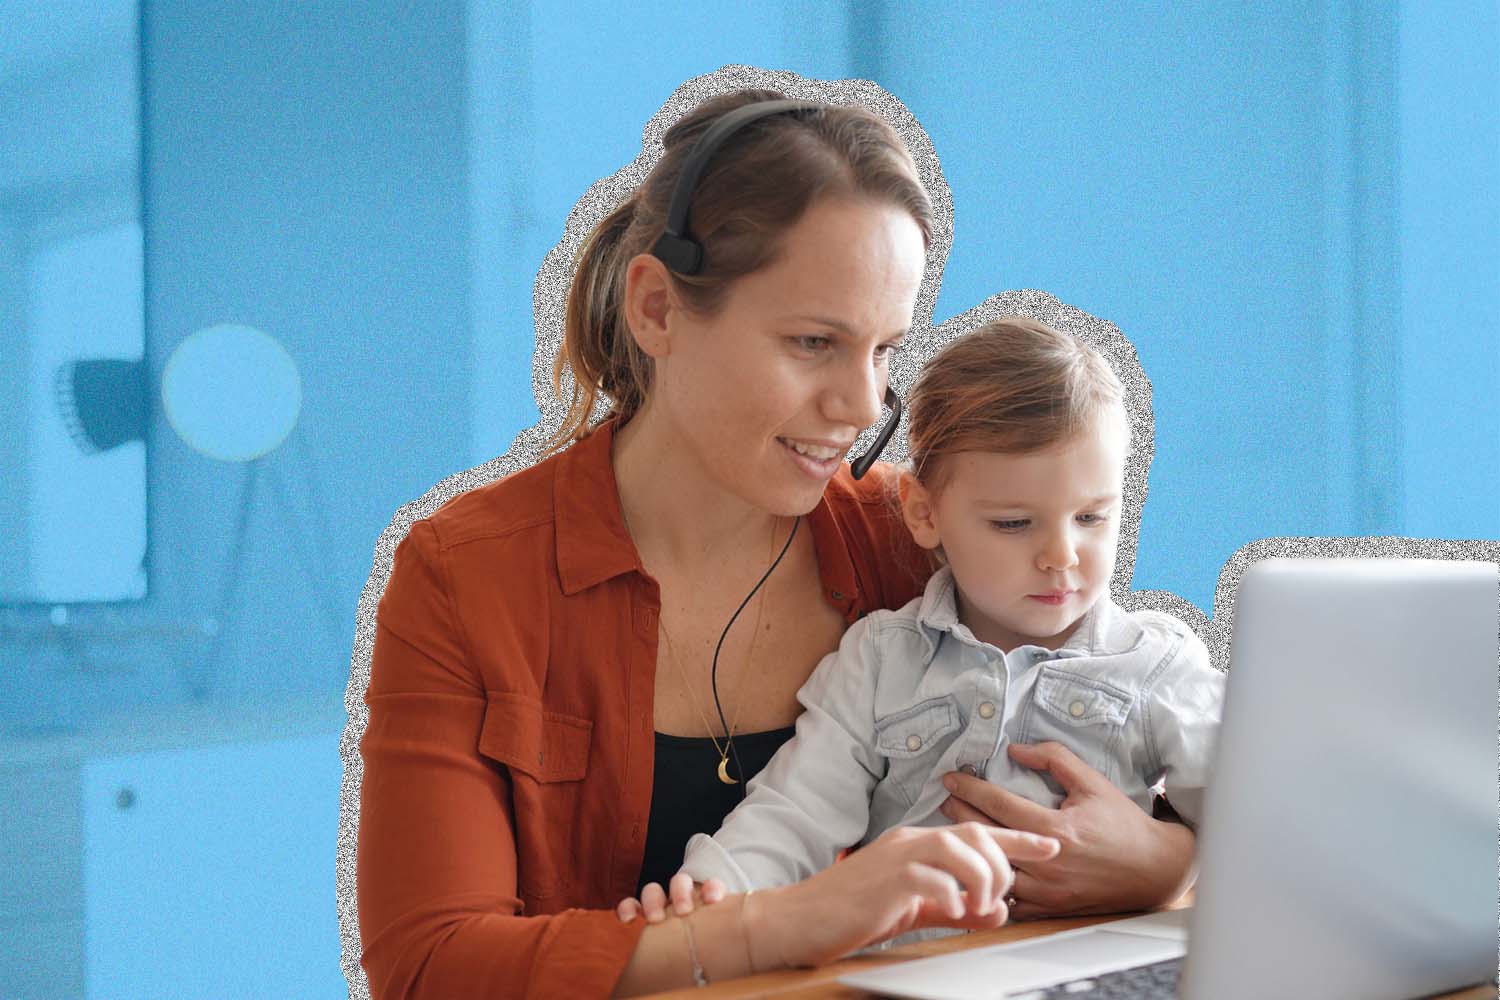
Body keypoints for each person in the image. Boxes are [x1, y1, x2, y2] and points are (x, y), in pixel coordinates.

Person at [355, 90, 1198, 999]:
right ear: (657, 310)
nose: (863, 406)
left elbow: (1126, 715)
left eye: (884, 351)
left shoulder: (915, 539)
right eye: (813, 342)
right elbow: (431, 966)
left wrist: (1164, 860)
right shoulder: (466, 574)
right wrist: (783, 922)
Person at [617, 319, 1223, 942]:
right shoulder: (882, 659)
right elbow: (793, 815)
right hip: (910, 977)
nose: (1062, 555)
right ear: (923, 512)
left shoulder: (1156, 666)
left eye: (1092, 516)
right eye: (1014, 523)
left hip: (1091, 976)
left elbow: (1271, 834)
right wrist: (704, 903)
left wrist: (1172, 864)